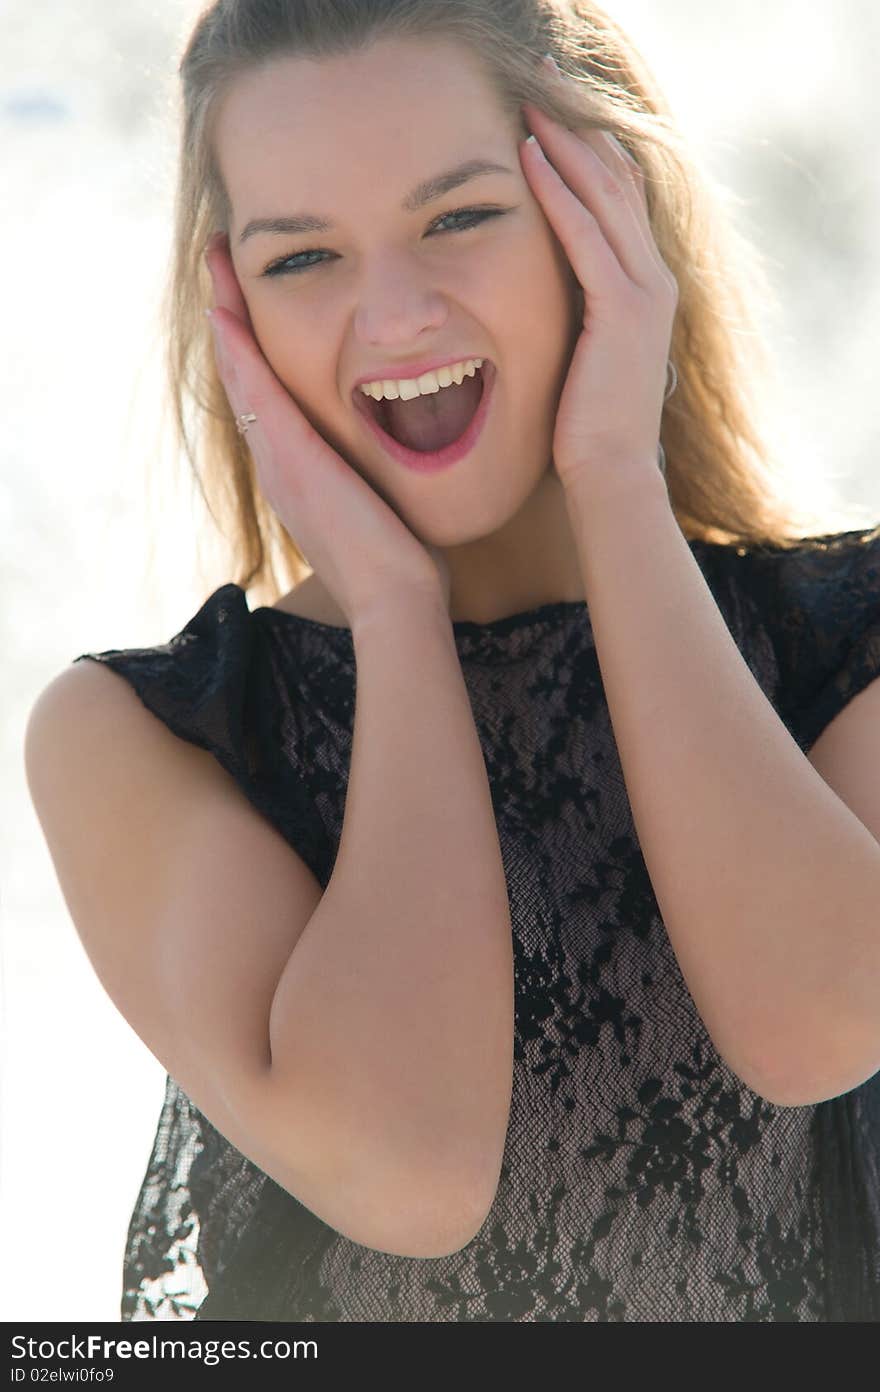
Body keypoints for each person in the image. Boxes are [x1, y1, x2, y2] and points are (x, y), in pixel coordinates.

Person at [24, 0, 880, 1323]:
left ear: (603, 215)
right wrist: (393, 614)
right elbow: (412, 1173)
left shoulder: (850, 639)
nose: (397, 314)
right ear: (232, 306)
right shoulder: (132, 737)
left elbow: (814, 1023)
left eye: (458, 216)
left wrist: (615, 472)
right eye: (304, 257)